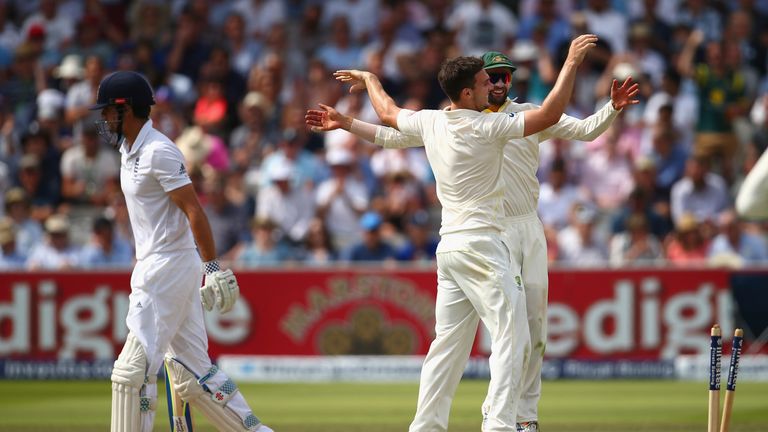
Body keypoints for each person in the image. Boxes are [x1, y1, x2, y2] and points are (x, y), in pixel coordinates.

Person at [307, 48, 639, 431]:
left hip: (458, 243)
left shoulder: (436, 121)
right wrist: (570, 63)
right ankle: (500, 424)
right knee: (514, 337)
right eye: (486, 79)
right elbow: (547, 114)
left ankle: (439, 425)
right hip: (486, 240)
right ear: (467, 92)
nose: (494, 84)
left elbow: (388, 117)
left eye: (500, 77)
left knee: (457, 343)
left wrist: (364, 90)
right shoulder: (487, 126)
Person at [90, 70, 272, 432]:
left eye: (110, 110)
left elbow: (193, 209)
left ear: (128, 109)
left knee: (132, 372)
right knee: (194, 374)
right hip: (159, 263)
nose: (105, 118)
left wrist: (214, 267)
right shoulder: (129, 150)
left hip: (167, 266)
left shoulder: (159, 151)